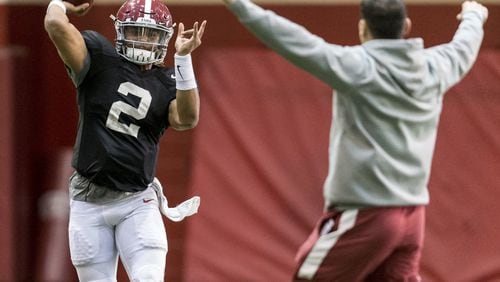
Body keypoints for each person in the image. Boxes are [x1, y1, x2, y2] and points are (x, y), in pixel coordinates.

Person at [221, 0, 488, 280]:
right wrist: (473, 16)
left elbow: (293, 39)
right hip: (413, 216)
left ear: (362, 28)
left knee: (309, 275)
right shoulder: (434, 67)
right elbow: (464, 46)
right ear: (406, 26)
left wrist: (239, 5)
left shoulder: (356, 67)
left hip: (367, 214)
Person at [44, 0, 206, 280]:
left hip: (137, 201)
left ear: (164, 39)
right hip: (88, 200)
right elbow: (56, 25)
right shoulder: (98, 58)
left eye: (151, 34)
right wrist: (60, 4)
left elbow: (187, 118)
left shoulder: (168, 80)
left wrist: (183, 59)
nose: (143, 41)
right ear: (119, 31)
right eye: (135, 32)